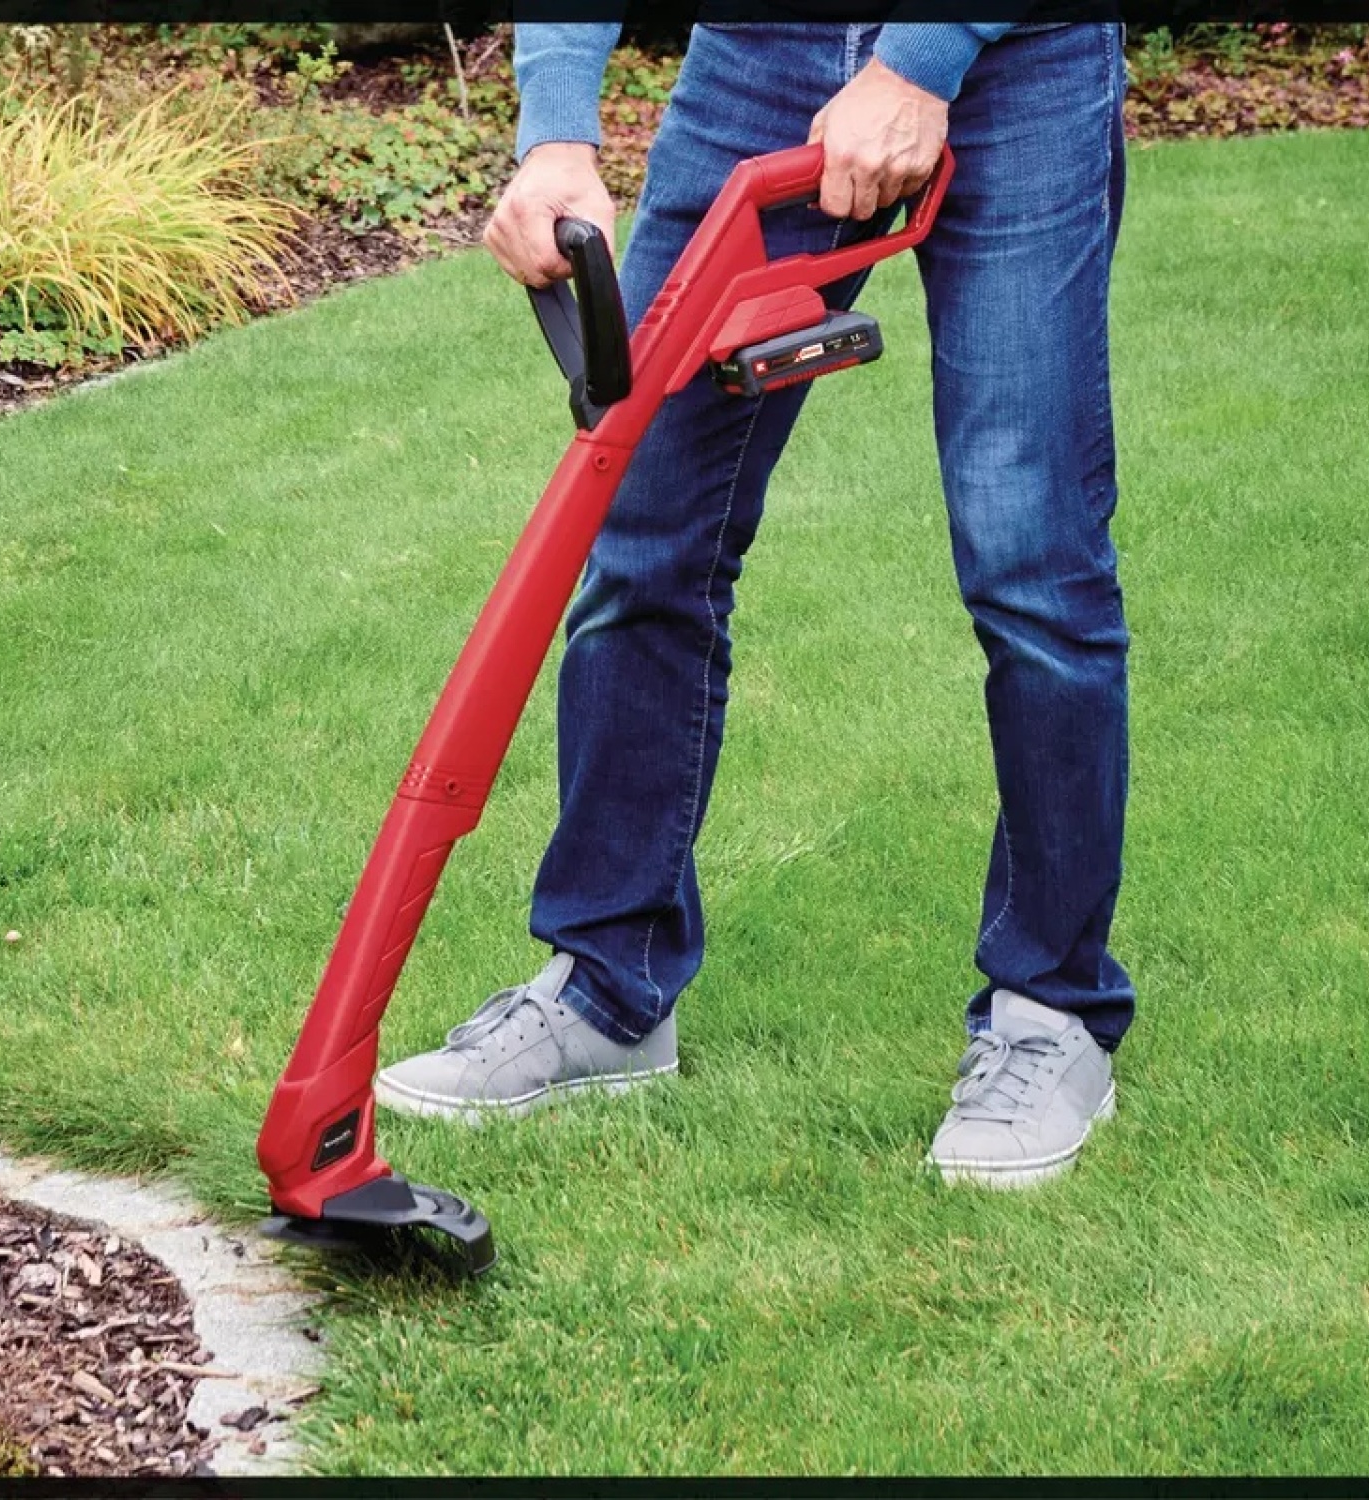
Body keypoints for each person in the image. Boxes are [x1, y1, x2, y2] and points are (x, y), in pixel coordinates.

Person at [376, 17, 1134, 1188]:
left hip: (1017, 61)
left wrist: (919, 62)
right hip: (763, 54)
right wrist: (556, 130)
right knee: (645, 533)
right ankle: (609, 988)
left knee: (1028, 554)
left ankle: (1052, 1012)